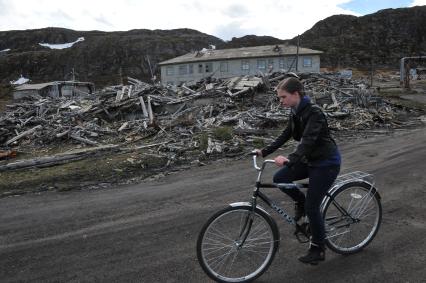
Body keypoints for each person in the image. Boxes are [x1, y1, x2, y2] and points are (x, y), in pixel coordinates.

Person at [255, 76, 341, 264]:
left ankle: (318, 248)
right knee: (280, 179)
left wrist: (290, 159)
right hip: (310, 160)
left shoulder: (314, 112)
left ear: (296, 94)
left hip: (326, 163)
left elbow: (308, 141)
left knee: (313, 206)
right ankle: (300, 203)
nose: (280, 101)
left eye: (283, 97)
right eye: (279, 98)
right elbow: (286, 134)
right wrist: (265, 151)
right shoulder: (295, 110)